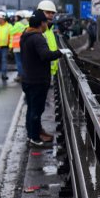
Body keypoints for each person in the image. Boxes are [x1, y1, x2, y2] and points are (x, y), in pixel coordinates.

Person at [19, 10, 63, 146]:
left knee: (31, 108)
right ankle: (34, 138)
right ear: (41, 23)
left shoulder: (25, 35)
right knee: (36, 110)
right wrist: (60, 52)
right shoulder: (37, 37)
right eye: (45, 22)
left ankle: (32, 133)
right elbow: (45, 55)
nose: (47, 24)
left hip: (27, 79)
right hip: (37, 80)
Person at [36, 0, 60, 77]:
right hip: (40, 74)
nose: (51, 15)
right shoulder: (35, 30)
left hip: (50, 73)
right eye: (48, 12)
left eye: (52, 13)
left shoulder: (50, 30)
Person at [9, 11, 28, 80]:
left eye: (16, 16)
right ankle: (24, 75)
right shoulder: (26, 24)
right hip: (25, 45)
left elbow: (11, 31)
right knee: (24, 61)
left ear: (18, 17)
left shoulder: (18, 24)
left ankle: (20, 75)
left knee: (18, 61)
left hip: (17, 46)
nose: (15, 18)